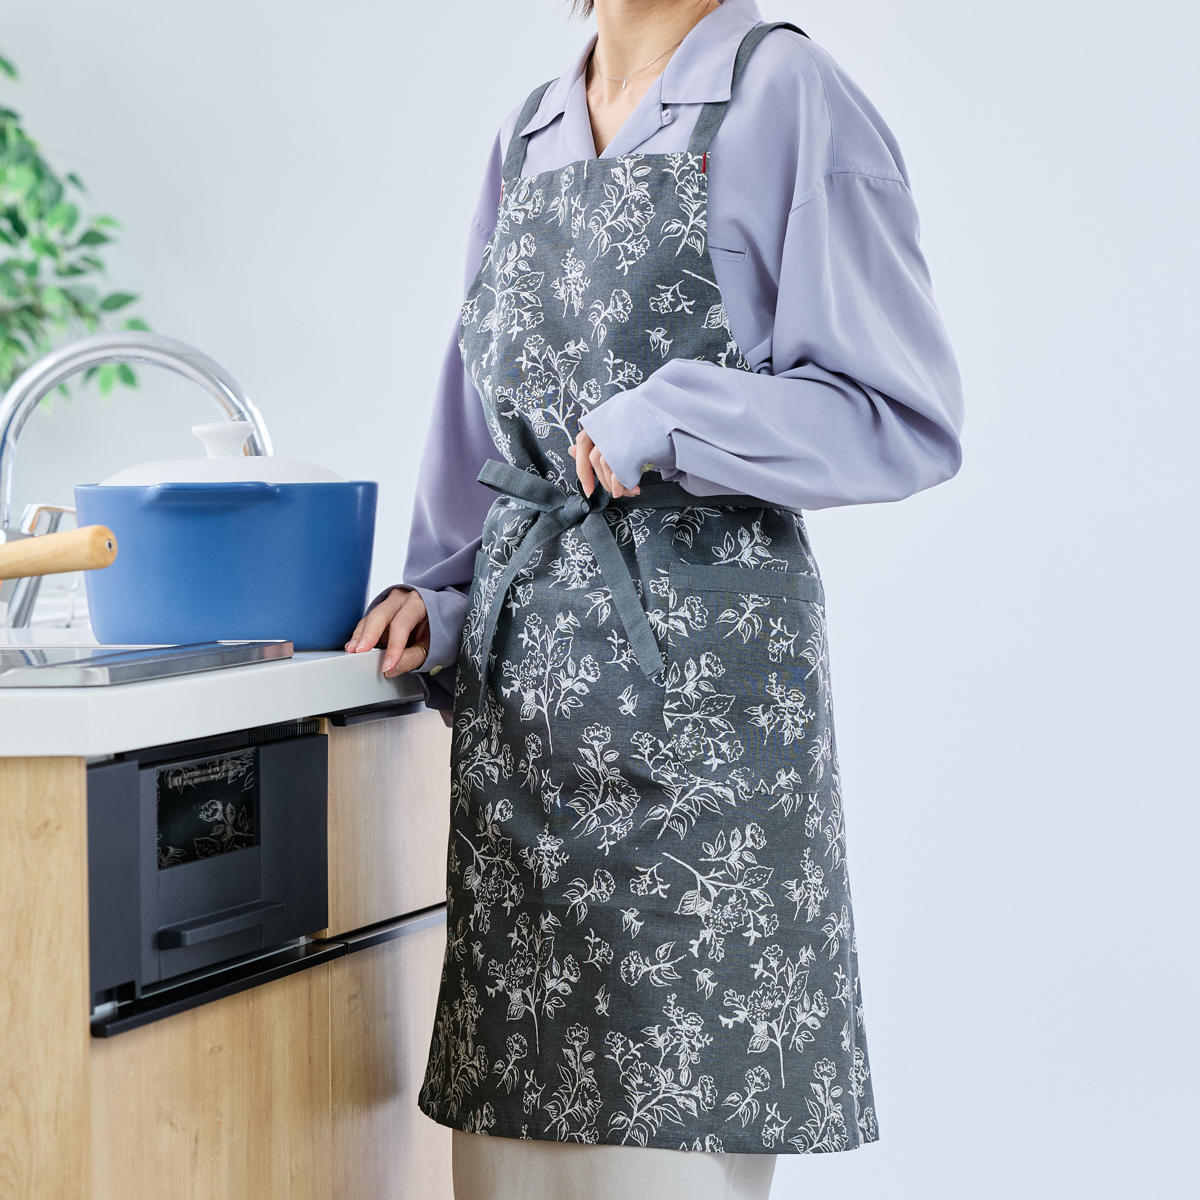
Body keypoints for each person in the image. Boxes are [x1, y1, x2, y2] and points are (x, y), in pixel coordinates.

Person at [346, 1, 964, 1196]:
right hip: (526, 753)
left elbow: (901, 415)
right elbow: (481, 427)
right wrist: (442, 598)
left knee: (667, 1150)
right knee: (511, 1160)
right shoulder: (529, 134)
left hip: (702, 762)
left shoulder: (785, 94)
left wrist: (676, 416)